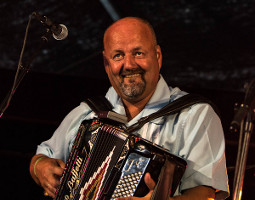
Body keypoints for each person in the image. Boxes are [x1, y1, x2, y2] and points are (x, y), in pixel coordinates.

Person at [29, 17, 229, 199]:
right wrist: (40, 167)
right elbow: (43, 155)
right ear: (107, 64)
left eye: (138, 53)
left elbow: (208, 194)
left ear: (157, 56)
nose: (129, 64)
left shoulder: (196, 115)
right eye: (118, 56)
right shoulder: (88, 113)